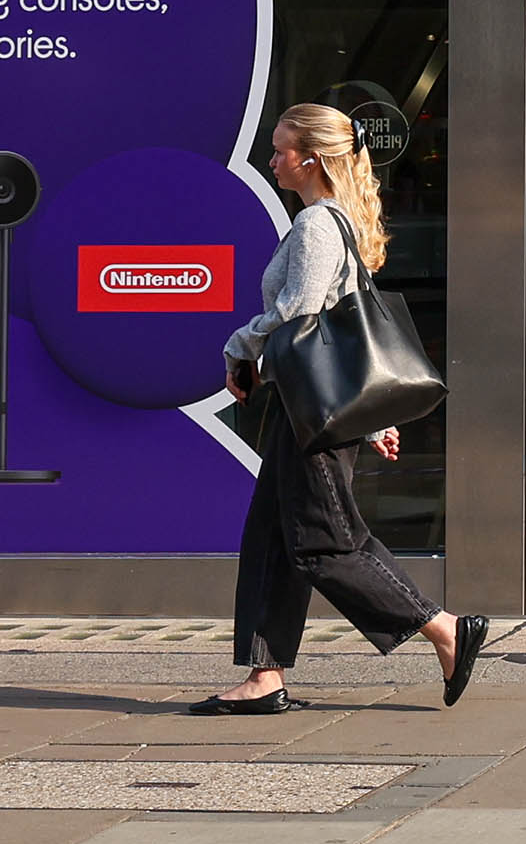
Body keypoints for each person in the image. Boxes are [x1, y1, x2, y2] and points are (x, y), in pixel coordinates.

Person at [207, 102, 491, 712]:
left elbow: (302, 311)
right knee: (273, 539)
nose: (272, 158)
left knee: (324, 544)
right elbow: (345, 340)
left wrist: (239, 345)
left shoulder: (316, 225)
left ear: (310, 158)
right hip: (303, 405)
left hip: (310, 415)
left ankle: (443, 628)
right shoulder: (329, 220)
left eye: (281, 149)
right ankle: (264, 677)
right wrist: (372, 418)